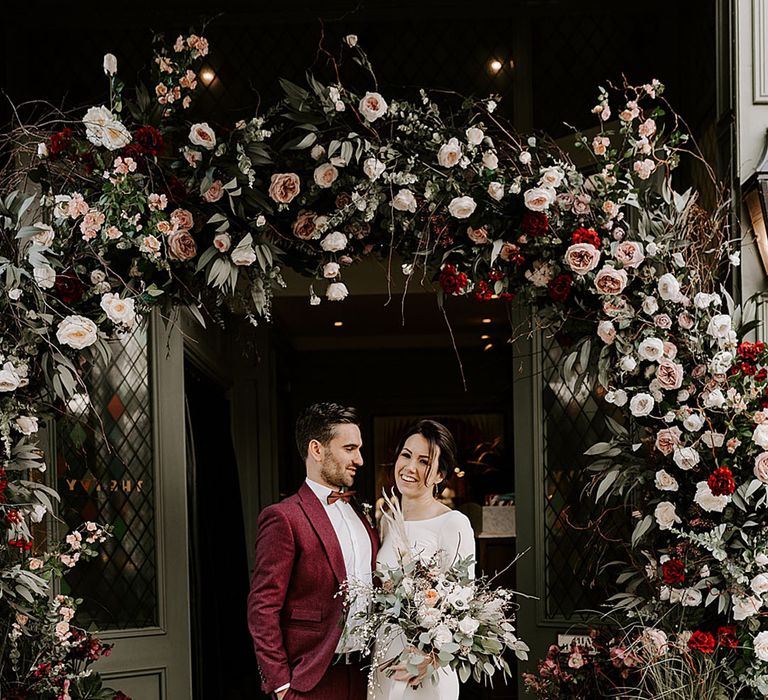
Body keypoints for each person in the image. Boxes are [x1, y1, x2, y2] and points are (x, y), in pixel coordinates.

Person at [248, 403, 379, 699]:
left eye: (359, 449)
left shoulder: (361, 512)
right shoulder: (284, 517)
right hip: (311, 682)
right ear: (317, 449)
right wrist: (280, 686)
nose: (359, 459)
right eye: (349, 448)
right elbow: (262, 607)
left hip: (366, 676)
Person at [369, 419, 476, 700]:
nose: (410, 467)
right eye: (406, 455)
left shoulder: (453, 523)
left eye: (424, 461)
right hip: (386, 656)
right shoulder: (388, 521)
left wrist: (431, 658)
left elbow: (465, 605)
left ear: (439, 475)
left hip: (425, 665)